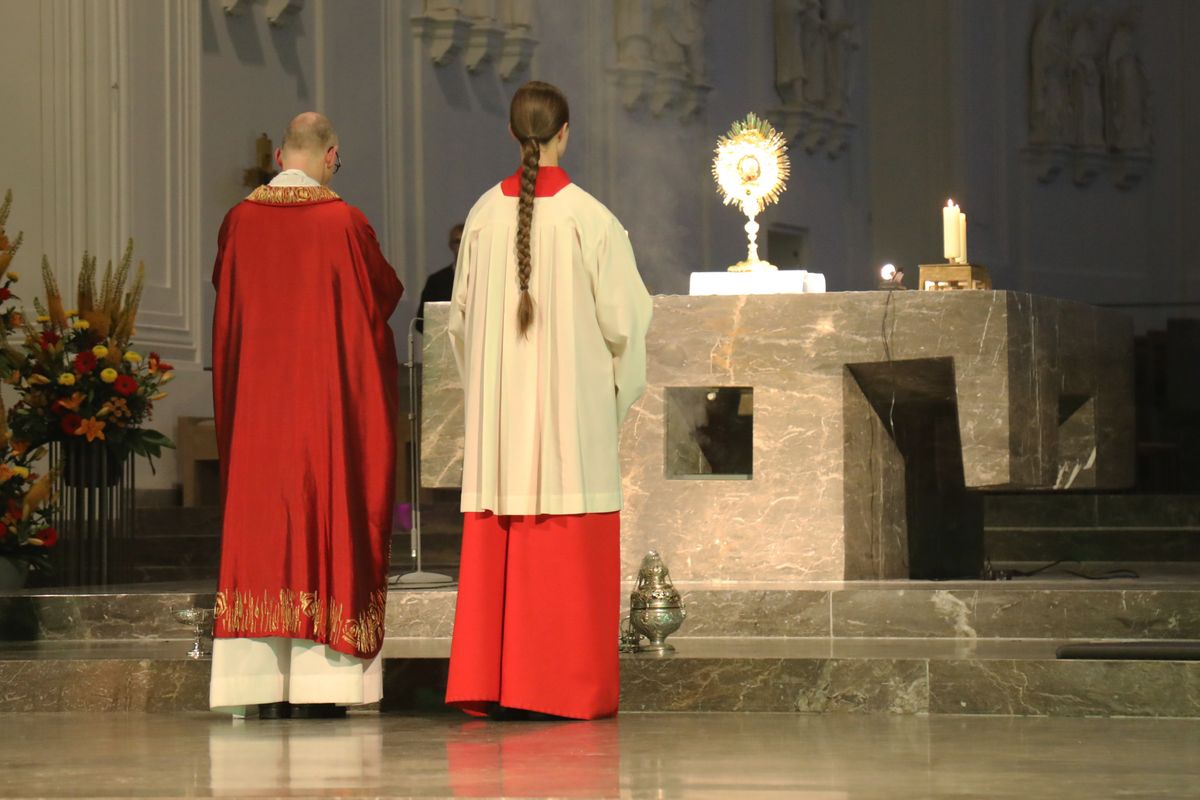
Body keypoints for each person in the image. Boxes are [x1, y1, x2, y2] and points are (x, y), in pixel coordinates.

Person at [444, 81, 653, 720]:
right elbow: (627, 326)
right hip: (569, 426)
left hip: (501, 428)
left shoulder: (482, 216)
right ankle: (561, 690)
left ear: (512, 134)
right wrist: (606, 405)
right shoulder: (591, 219)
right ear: (566, 132)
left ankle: (497, 684)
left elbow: (459, 326)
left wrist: (490, 395)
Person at [209, 112, 404, 720]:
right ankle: (325, 686)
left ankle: (258, 685)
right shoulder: (345, 223)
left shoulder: (239, 222)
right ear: (332, 156)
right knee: (329, 520)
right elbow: (383, 297)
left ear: (279, 158)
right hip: (324, 413)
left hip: (259, 414)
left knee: (261, 531)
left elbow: (227, 298)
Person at [415, 223, 464, 334]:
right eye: (457, 241)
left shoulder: (485, 280)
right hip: (444, 341)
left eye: (465, 241)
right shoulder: (436, 281)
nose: (462, 246)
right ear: (451, 245)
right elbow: (422, 322)